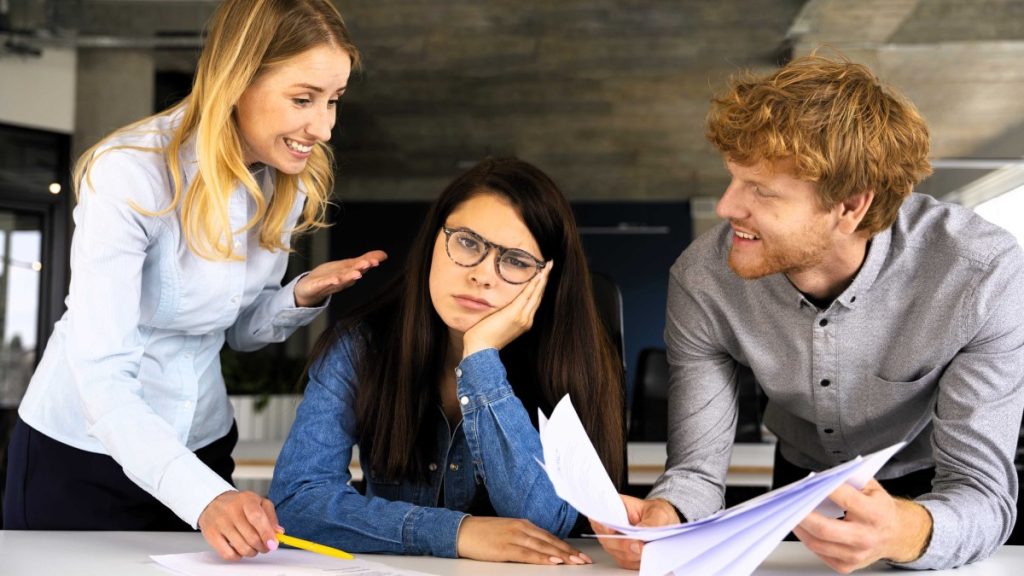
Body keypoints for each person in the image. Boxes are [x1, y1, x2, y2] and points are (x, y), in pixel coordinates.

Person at [594, 55, 1024, 572]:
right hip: (795, 482)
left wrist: (902, 533)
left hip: (927, 492)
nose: (727, 207)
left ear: (850, 206)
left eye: (761, 190)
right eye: (733, 179)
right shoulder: (703, 277)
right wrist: (668, 514)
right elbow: (695, 472)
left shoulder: (979, 274)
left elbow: (982, 493)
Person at [3, 0, 386, 562]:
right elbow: (103, 376)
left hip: (203, 445)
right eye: (302, 99)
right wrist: (204, 497)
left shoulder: (287, 182)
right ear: (236, 80)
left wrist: (297, 295)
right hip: (83, 455)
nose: (324, 126)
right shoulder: (129, 174)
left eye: (333, 100)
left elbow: (238, 334)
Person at [269, 157, 625, 565]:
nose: (482, 275)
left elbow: (546, 524)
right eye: (468, 243)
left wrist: (481, 359)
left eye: (515, 261)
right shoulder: (360, 347)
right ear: (433, 242)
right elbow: (296, 502)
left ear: (544, 279)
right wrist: (455, 532)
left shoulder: (575, 361)